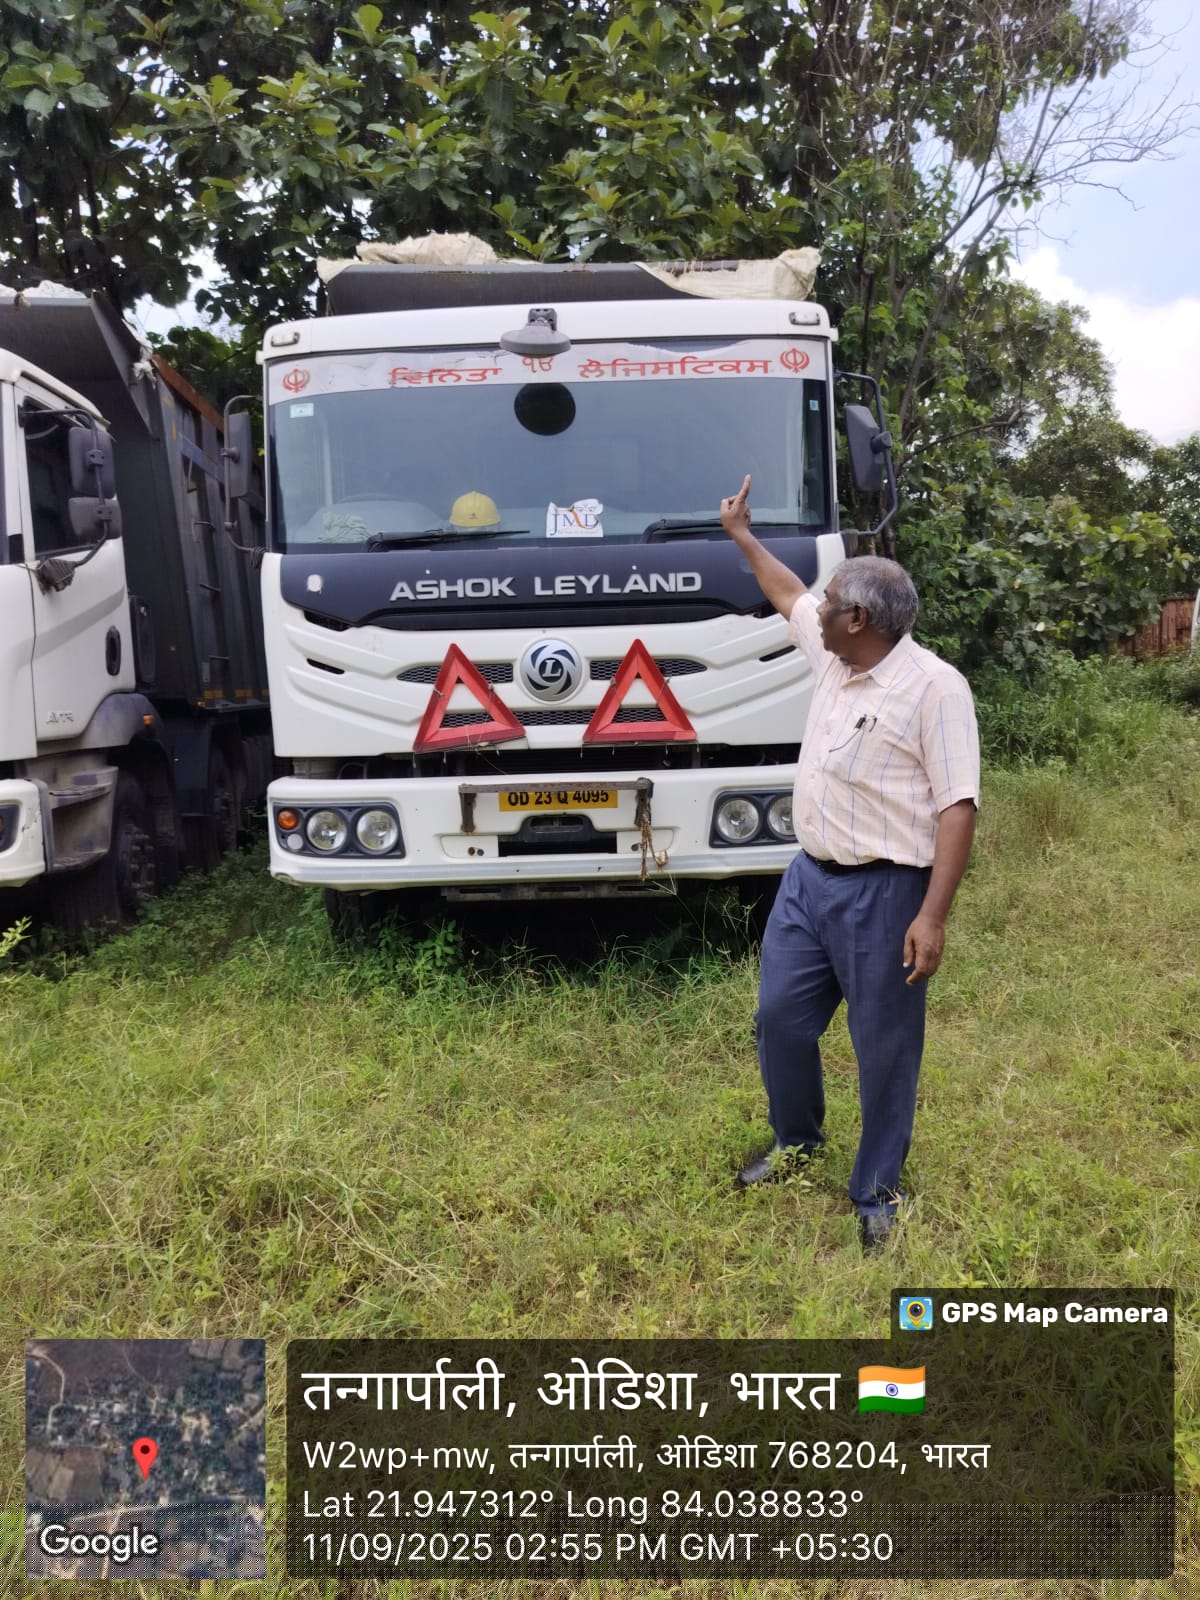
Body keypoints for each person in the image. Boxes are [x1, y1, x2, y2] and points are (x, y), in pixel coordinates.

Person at [718, 474, 979, 1250]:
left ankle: (876, 1189)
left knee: (884, 1047)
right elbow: (786, 590)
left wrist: (931, 915)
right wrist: (740, 534)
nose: (816, 610)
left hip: (886, 891)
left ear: (859, 618)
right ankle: (798, 1142)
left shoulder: (935, 689)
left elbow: (957, 805)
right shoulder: (835, 655)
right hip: (809, 881)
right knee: (779, 1020)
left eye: (831, 603)